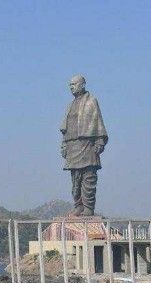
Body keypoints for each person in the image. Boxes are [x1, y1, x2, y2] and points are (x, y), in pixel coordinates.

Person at [59, 75, 108, 217]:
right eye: (70, 85)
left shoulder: (91, 101)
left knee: (88, 178)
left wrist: (99, 141)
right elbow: (65, 129)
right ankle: (78, 206)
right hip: (72, 145)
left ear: (83, 84)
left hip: (87, 145)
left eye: (74, 84)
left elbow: (97, 122)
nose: (71, 87)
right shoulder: (70, 105)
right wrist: (64, 145)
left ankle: (88, 207)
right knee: (75, 180)